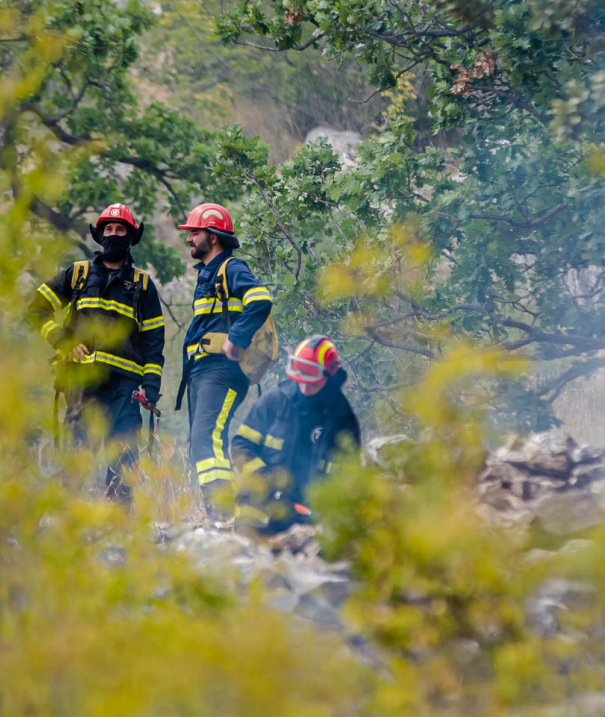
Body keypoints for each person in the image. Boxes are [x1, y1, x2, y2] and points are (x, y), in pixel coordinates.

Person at [26, 203, 166, 504]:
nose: (114, 234)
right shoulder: (76, 275)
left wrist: (151, 386)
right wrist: (63, 341)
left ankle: (120, 520)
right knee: (78, 448)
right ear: (99, 235)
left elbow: (154, 342)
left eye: (120, 230)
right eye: (109, 229)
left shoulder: (143, 285)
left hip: (126, 385)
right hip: (82, 378)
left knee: (124, 451)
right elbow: (36, 310)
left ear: (131, 237)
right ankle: (67, 517)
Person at [173, 203, 273, 519]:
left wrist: (236, 338)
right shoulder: (208, 274)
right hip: (203, 371)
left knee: (207, 437)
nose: (189, 239)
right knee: (200, 442)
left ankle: (222, 514)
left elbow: (260, 299)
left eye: (195, 232)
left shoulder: (231, 267)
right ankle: (220, 512)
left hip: (222, 370)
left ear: (213, 236)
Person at [231, 335, 360, 534]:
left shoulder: (342, 421)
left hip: (309, 515)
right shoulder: (275, 401)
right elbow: (241, 445)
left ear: (330, 378)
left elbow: (349, 479)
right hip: (262, 505)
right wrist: (264, 478)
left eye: (313, 382)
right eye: (301, 380)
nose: (305, 387)